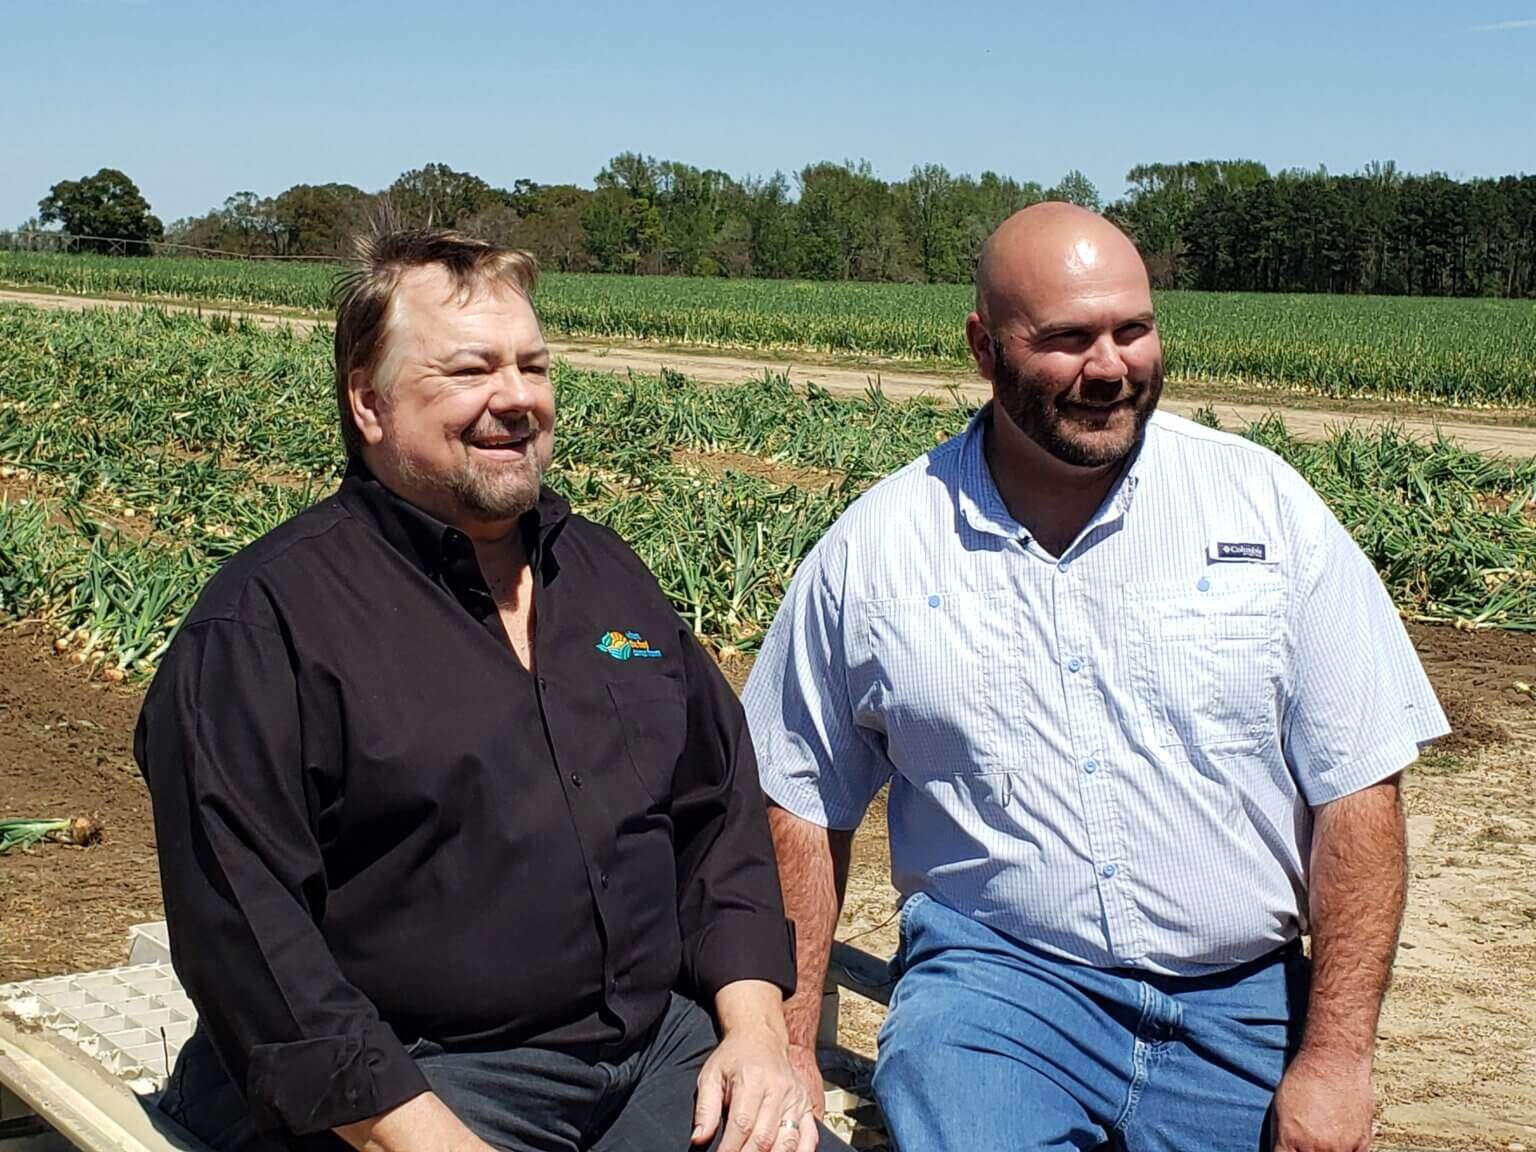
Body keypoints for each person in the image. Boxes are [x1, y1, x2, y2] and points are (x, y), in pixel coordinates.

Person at [743, 203, 1448, 1152]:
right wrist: (789, 1046)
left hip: (1242, 999)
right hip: (1002, 988)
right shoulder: (878, 551)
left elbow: (1358, 789)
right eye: (1068, 338)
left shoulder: (1265, 509)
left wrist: (1336, 1061)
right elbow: (798, 802)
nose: (1111, 367)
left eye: (1134, 329)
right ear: (985, 349)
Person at [136, 229, 818, 1152]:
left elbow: (717, 815)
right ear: (369, 404)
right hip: (420, 1082)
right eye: (469, 370)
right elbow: (250, 937)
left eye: (532, 366)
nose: (515, 399)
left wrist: (754, 1031)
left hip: (658, 1057)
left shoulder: (609, 579)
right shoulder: (265, 628)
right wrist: (420, 1137)